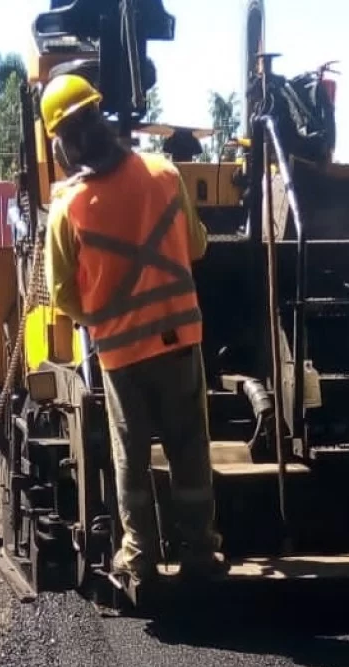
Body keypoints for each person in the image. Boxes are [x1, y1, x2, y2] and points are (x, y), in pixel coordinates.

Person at [40, 74, 224, 585]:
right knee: (190, 449)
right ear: (101, 119)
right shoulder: (165, 175)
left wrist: (102, 317)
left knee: (132, 455)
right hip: (180, 341)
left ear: (61, 143)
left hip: (121, 355)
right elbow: (197, 247)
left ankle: (138, 557)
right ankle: (200, 553)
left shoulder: (67, 209)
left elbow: (60, 295)